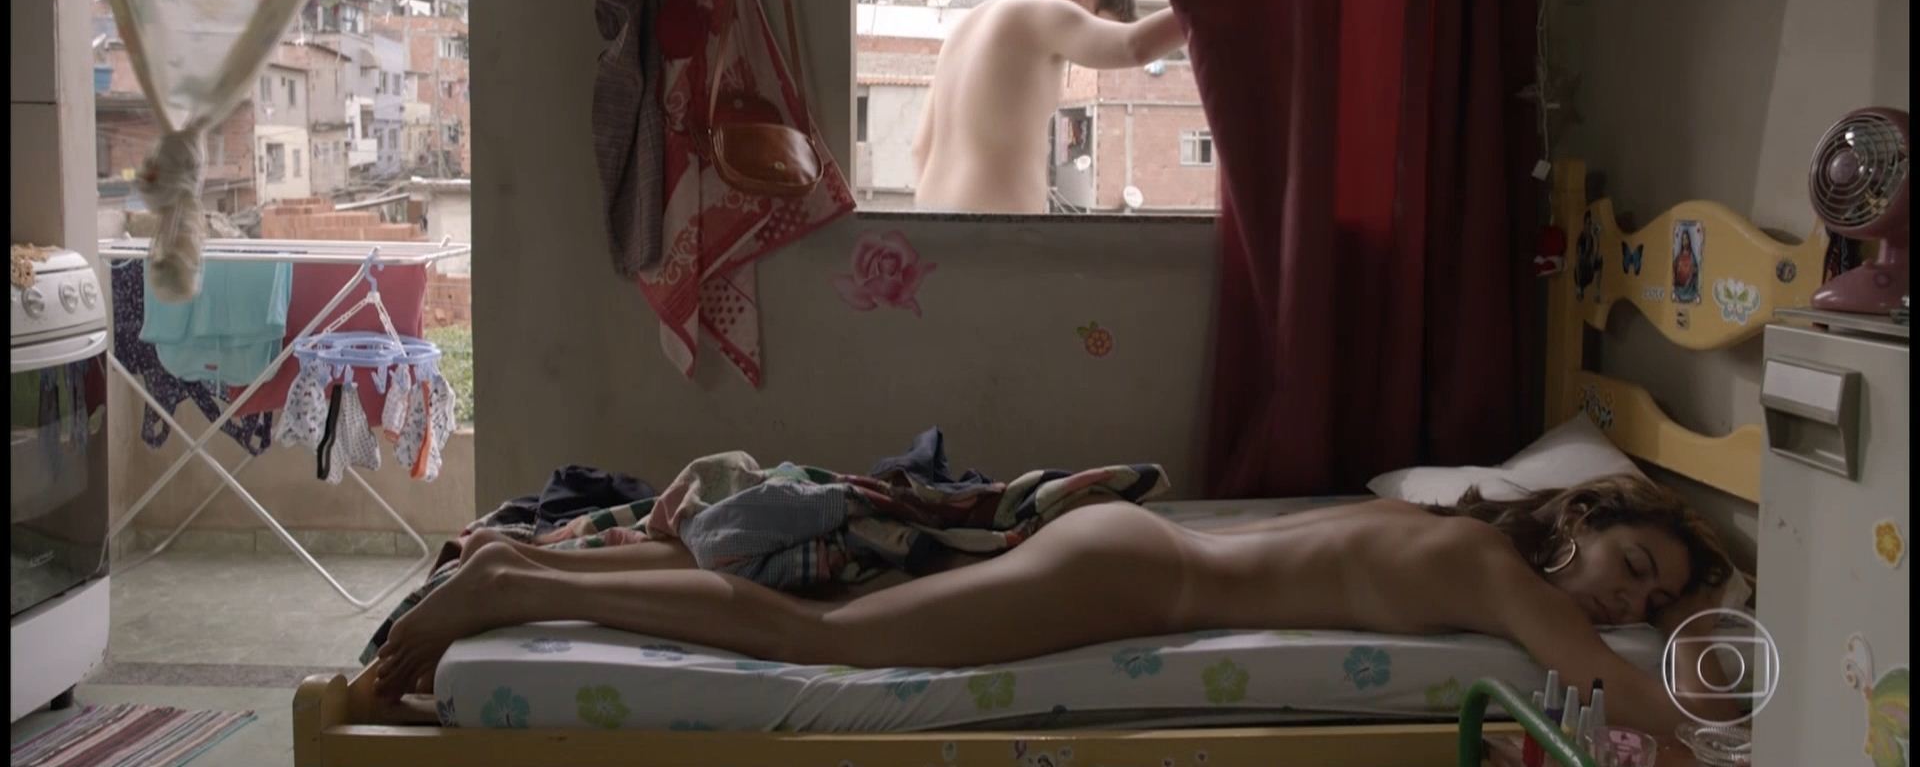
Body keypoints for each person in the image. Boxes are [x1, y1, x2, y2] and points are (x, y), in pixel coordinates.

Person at [374, 473, 1747, 735]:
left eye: (1657, 595)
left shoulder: (1456, 529)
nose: (1631, 598)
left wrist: (1687, 618)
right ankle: (508, 582)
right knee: (822, 640)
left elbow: (1611, 660)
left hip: (1129, 551)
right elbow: (1614, 688)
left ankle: (541, 576)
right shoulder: (1496, 572)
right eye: (1636, 565)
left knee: (833, 611)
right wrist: (1718, 724)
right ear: (1584, 518)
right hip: (1132, 576)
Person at [911, 0, 1188, 214]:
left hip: (931, 220)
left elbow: (920, 148)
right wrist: (1206, 5)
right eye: (1097, 25)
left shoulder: (965, 26)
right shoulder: (1042, 11)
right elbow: (1134, 45)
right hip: (991, 228)